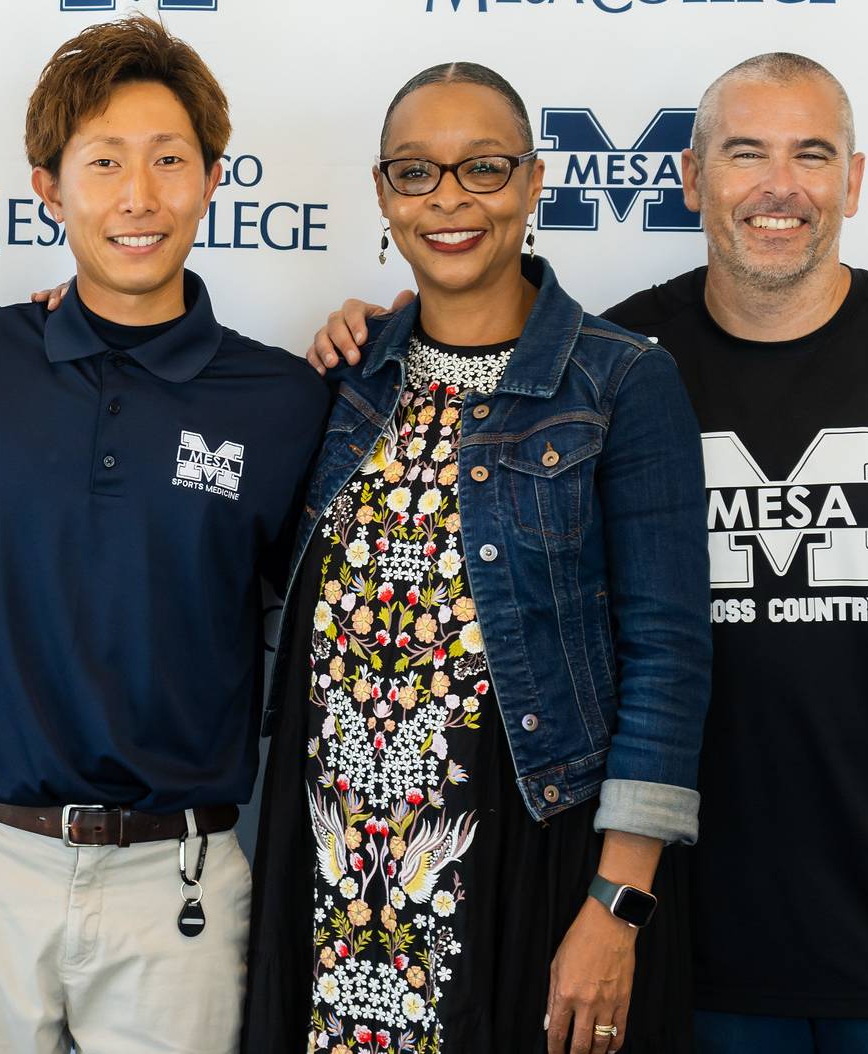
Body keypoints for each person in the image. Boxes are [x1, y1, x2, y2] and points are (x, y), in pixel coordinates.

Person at [309, 53, 868, 1054]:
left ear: (850, 181)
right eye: (743, 153)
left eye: (811, 154)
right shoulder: (612, 366)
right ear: (689, 178)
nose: (779, 186)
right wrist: (372, 337)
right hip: (693, 935)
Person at [242, 62, 709, 1054]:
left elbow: (668, 660)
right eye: (414, 173)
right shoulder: (343, 379)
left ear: (534, 182)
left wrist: (615, 908)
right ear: (380, 194)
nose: (447, 199)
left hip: (527, 865)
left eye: (482, 168)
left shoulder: (621, 379)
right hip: (336, 874)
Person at [0, 16, 330, 1054]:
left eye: (168, 160)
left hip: (174, 879)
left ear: (214, 176)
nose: (138, 196)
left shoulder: (281, 398)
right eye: (102, 163)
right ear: (48, 187)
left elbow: (307, 626)